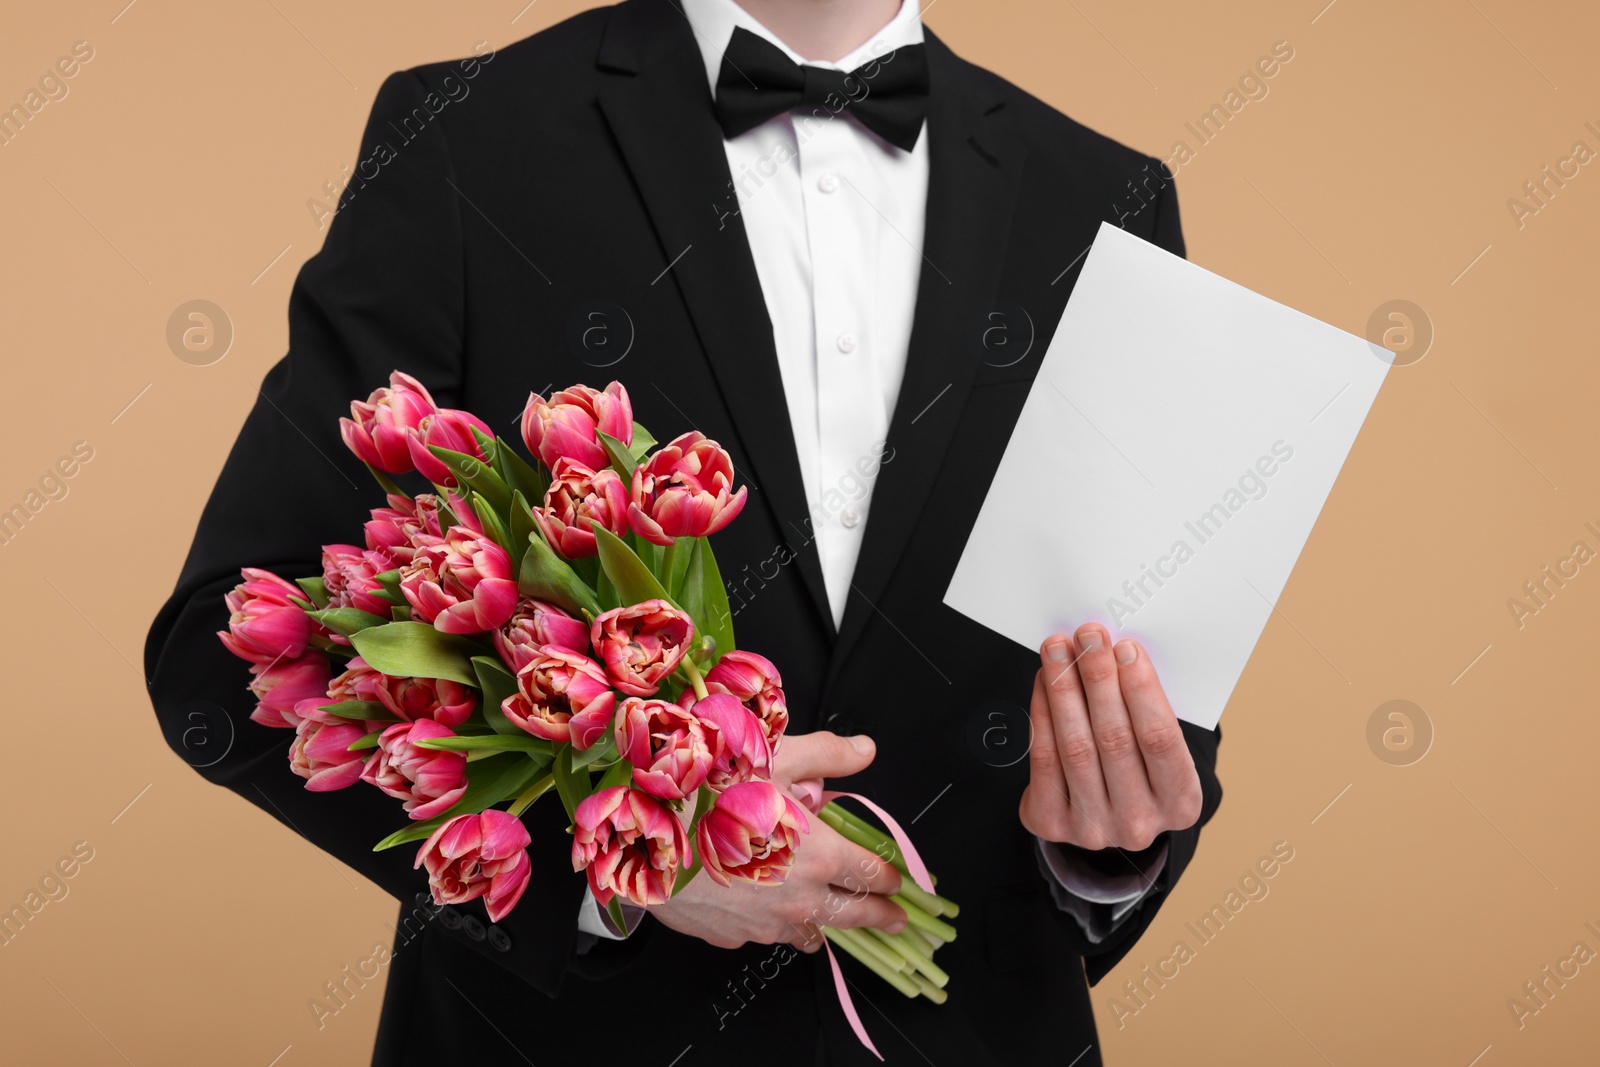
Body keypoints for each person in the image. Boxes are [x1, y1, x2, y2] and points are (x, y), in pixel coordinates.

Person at [145, 0, 1222, 1062]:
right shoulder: (468, 133)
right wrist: (619, 867)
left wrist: (1110, 856)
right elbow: (227, 643)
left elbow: (1152, 691)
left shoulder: (1109, 198)